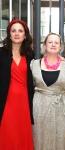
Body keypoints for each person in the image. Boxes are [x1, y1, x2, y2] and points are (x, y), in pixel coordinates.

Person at [31, 33, 65, 150]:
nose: (53, 45)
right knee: (39, 139)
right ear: (44, 45)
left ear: (60, 47)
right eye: (50, 42)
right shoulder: (34, 64)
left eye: (56, 42)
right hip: (39, 107)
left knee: (58, 140)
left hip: (60, 108)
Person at [0, 19, 34, 150]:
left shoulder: (31, 55)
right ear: (9, 34)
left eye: (20, 31)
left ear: (25, 35)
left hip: (24, 101)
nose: (17, 33)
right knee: (7, 134)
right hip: (6, 100)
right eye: (13, 31)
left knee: (22, 135)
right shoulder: (2, 54)